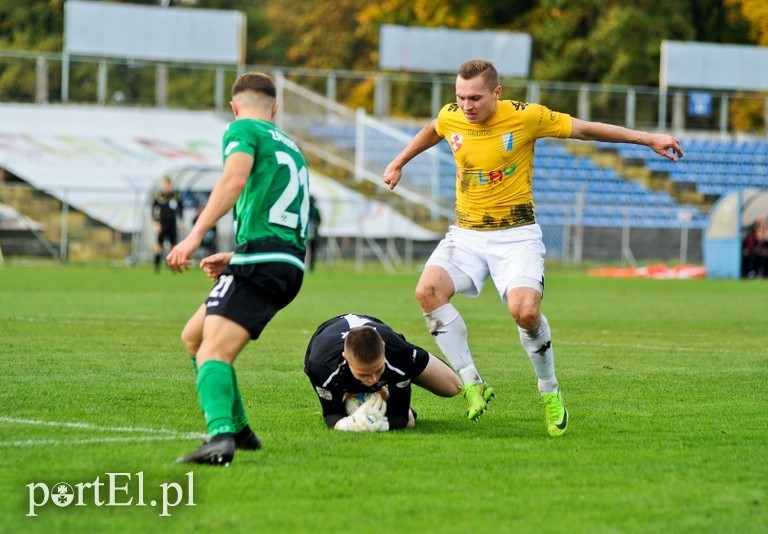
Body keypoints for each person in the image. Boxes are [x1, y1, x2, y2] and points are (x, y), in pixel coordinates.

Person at [383, 59, 683, 437]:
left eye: (474, 97)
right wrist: (399, 161)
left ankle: (549, 391)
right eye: (459, 97)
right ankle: (472, 382)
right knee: (427, 291)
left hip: (516, 235)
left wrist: (648, 138)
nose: (466, 106)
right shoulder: (452, 116)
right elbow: (434, 128)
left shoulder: (527, 117)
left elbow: (586, 130)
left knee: (525, 313)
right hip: (467, 233)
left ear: (497, 93)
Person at [166, 71, 311, 465]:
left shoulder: (242, 129)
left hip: (264, 261)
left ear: (234, 107)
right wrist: (236, 256)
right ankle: (241, 429)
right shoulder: (291, 145)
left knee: (213, 350)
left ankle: (220, 438)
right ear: (275, 109)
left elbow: (233, 178)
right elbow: (284, 217)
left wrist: (194, 236)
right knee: (194, 338)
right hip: (280, 258)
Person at [304, 313, 462, 431]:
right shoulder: (321, 366)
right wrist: (350, 425)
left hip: (391, 348)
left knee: (452, 387)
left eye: (377, 370)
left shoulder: (398, 354)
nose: (372, 380)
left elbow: (401, 418)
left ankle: (391, 378)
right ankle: (377, 385)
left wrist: (385, 423)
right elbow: (332, 414)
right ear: (346, 358)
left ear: (384, 348)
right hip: (327, 337)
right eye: (363, 374)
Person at [152, 177, 183, 272]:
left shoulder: (176, 196)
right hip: (162, 224)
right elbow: (153, 210)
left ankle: (172, 265)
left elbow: (180, 210)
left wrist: (181, 222)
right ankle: (157, 266)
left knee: (173, 245)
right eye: (165, 185)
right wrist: (156, 222)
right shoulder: (159, 196)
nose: (167, 187)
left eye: (169, 185)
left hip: (172, 224)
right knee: (159, 245)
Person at [306, 195, 322, 271]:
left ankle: (310, 267)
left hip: (309, 233)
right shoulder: (311, 210)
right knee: (311, 251)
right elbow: (319, 221)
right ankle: (310, 267)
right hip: (311, 233)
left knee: (309, 250)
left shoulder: (307, 209)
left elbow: (319, 221)